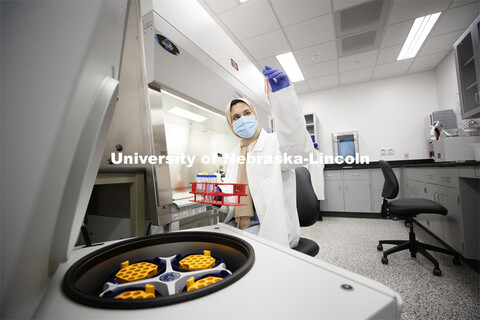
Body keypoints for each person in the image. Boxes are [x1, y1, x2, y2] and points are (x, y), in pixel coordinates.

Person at [220, 66, 316, 248]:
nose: (242, 119)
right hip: (242, 223)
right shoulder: (235, 154)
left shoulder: (274, 143)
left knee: (233, 249)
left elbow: (299, 153)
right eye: (236, 117)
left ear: (255, 115)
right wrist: (218, 197)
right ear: (231, 125)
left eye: (247, 113)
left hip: (272, 228)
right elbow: (232, 196)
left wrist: (284, 99)